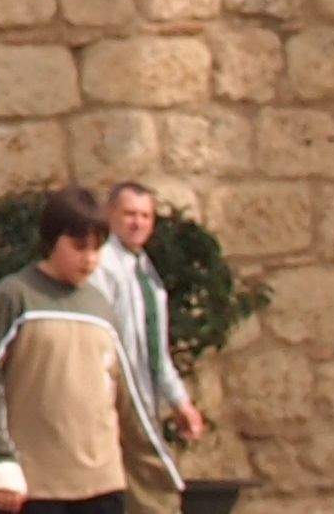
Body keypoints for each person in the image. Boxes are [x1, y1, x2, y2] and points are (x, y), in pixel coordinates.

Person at [0, 186, 165, 514]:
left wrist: (157, 469)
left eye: (97, 248)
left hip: (102, 484)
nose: (89, 259)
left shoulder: (100, 307)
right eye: (78, 247)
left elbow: (128, 396)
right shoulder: (14, 297)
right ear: (52, 240)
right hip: (33, 486)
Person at [91, 182, 206, 512]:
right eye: (129, 214)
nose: (137, 222)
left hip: (144, 402)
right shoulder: (102, 266)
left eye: (145, 215)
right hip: (114, 406)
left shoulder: (145, 270)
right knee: (153, 496)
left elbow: (155, 348)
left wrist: (180, 401)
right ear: (111, 215)